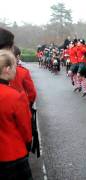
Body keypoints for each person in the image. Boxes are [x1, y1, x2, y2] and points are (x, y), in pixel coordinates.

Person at [0, 50, 33, 180]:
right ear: (7, 69)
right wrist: (28, 142)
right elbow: (25, 128)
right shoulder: (15, 96)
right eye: (14, 66)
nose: (16, 70)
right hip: (13, 154)